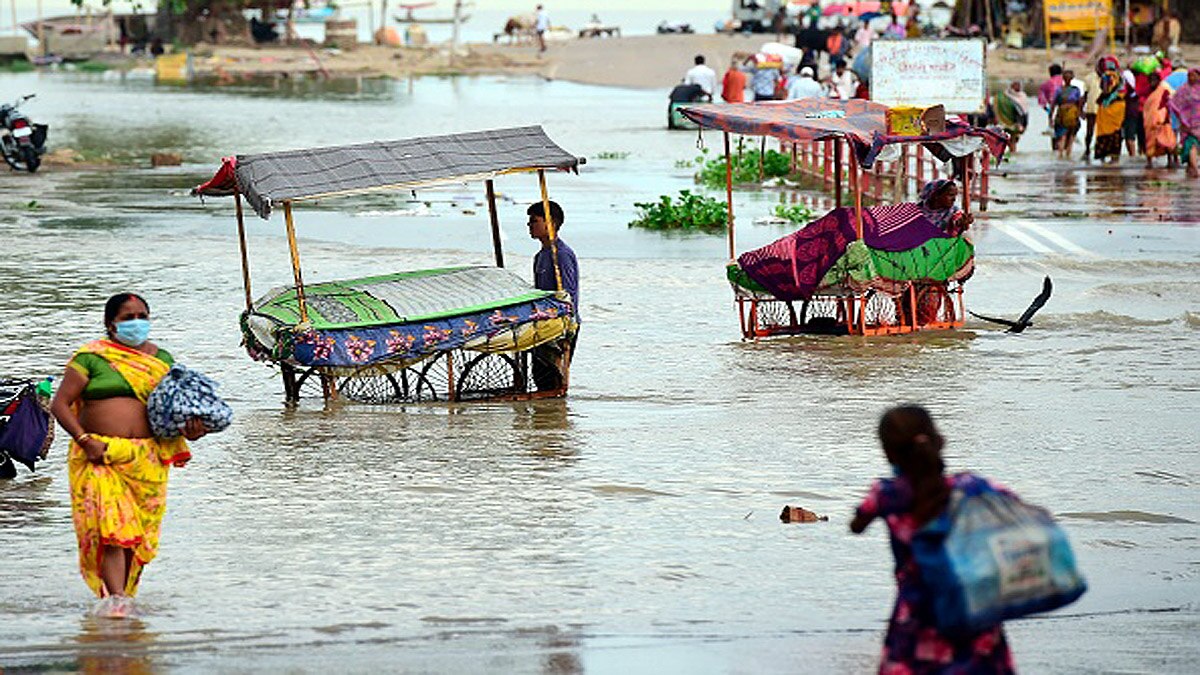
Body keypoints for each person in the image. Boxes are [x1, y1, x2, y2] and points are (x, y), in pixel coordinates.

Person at [50, 293, 206, 617]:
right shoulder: (91, 358)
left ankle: (122, 599)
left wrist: (192, 429)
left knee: (138, 537)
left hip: (147, 460)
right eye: (128, 317)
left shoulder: (161, 359)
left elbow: (171, 412)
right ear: (111, 324)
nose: (137, 323)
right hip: (100, 454)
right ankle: (116, 601)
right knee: (113, 529)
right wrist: (83, 440)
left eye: (142, 316)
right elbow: (60, 404)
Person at [850, 405, 1016, 674]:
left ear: (888, 452)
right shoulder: (970, 487)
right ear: (938, 440)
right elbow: (1015, 508)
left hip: (915, 620)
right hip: (975, 614)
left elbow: (857, 525)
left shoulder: (887, 494)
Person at [526, 201, 579, 391]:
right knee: (540, 378)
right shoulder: (540, 256)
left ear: (550, 223)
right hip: (543, 323)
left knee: (553, 381)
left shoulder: (561, 255)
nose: (530, 226)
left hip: (561, 324)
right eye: (529, 222)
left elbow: (568, 294)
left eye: (534, 221)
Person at [1168, 68, 1200, 178]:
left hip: (1198, 124)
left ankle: (1191, 167)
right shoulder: (1183, 89)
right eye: (1190, 75)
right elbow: (1174, 103)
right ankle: (1195, 169)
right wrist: (1182, 117)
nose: (1192, 78)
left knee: (1194, 146)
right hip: (1187, 124)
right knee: (1191, 145)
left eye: (1194, 75)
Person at [1093, 56, 1126, 163]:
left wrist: (1101, 98)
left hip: (1108, 107)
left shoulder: (1106, 77)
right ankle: (1115, 157)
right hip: (1120, 107)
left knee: (1104, 131)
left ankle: (1103, 156)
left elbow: (1106, 91)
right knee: (1116, 132)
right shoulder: (1120, 76)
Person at [1143, 71, 1178, 168]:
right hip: (1150, 120)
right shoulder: (1148, 91)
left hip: (1163, 118)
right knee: (1150, 140)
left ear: (1159, 81)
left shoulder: (1164, 90)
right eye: (1150, 80)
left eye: (1154, 80)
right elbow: (1146, 104)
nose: (1152, 82)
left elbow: (1169, 102)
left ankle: (1171, 160)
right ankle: (1149, 161)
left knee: (1167, 140)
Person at [1051, 71, 1084, 159]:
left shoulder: (1059, 90)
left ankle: (1060, 156)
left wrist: (1050, 117)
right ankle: (1068, 156)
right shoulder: (1076, 90)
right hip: (1072, 114)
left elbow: (1053, 104)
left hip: (1062, 114)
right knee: (1071, 136)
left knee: (1062, 136)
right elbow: (1080, 103)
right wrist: (1080, 113)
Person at [993, 80, 1029, 152]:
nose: (1017, 87)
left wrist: (1023, 124)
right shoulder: (1004, 96)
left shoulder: (1022, 96)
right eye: (1015, 85)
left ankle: (1012, 155)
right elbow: (997, 108)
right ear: (1011, 87)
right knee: (1009, 140)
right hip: (1006, 123)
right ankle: (1011, 155)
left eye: (1018, 86)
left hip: (1017, 123)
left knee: (1013, 140)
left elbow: (1024, 112)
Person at [1037, 64, 1064, 145]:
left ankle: (1055, 153)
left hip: (1053, 110)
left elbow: (1042, 101)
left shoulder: (1046, 84)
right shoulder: (1066, 81)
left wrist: (1048, 111)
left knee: (1054, 134)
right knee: (1066, 134)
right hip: (1068, 109)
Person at [1081, 62, 1102, 158]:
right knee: (1089, 131)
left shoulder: (1109, 77)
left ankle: (1101, 150)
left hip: (1104, 110)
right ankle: (1087, 149)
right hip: (1091, 108)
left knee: (1102, 132)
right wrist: (1081, 109)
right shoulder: (1089, 78)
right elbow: (1085, 95)